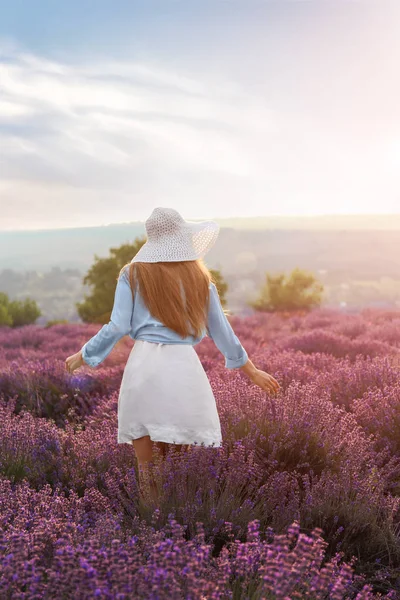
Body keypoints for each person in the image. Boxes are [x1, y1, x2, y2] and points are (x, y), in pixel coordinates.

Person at [65, 207, 280, 503]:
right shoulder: (198, 277)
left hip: (144, 367)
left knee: (146, 471)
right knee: (175, 470)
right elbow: (222, 332)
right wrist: (252, 371)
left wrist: (84, 355)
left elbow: (118, 326)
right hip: (183, 370)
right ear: (181, 235)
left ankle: (146, 538)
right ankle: (176, 537)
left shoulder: (133, 273)